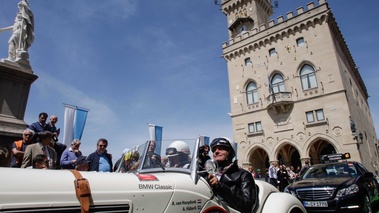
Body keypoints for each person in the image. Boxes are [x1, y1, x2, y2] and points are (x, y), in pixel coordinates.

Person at [206, 137, 257, 213]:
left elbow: (247, 205)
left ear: (230, 152)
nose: (216, 152)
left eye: (221, 149)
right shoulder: (210, 173)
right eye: (214, 150)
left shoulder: (243, 175)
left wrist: (220, 186)